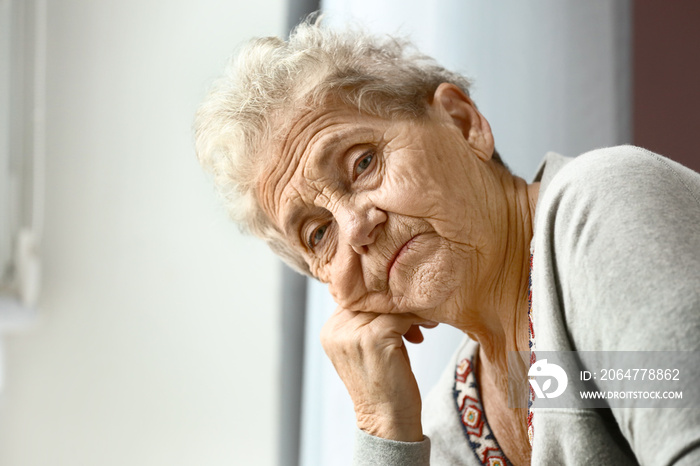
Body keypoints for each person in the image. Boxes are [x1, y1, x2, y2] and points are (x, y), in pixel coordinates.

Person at [194, 20, 700, 465]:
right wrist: (384, 431)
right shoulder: (449, 423)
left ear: (464, 123)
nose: (355, 228)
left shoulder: (600, 205)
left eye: (362, 163)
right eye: (318, 234)